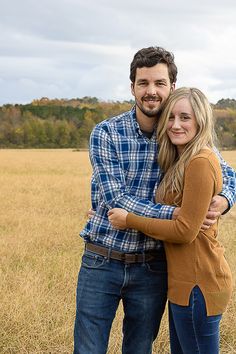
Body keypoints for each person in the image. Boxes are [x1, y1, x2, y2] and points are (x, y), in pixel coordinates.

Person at [73, 47, 236, 354]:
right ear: (132, 86)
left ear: (171, 87)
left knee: (139, 348)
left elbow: (226, 173)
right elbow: (116, 199)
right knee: (88, 349)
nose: (151, 91)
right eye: (143, 83)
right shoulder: (106, 133)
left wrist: (225, 199)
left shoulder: (180, 132)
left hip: (152, 265)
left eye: (159, 83)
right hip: (102, 258)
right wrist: (182, 214)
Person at [108, 87, 233, 354]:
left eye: (185, 118)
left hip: (199, 282)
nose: (175, 125)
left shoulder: (200, 160)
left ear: (200, 121)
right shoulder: (182, 159)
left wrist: (130, 219)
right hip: (182, 284)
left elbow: (185, 231)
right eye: (171, 118)